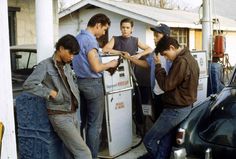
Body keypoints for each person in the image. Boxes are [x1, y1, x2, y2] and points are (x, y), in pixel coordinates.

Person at [23, 34, 92, 159]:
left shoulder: (66, 65)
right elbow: (28, 85)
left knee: (71, 153)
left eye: (73, 54)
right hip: (59, 115)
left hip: (73, 113)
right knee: (84, 153)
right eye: (70, 53)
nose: (72, 57)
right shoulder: (45, 65)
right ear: (60, 48)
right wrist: (49, 92)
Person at [139, 36, 200, 159]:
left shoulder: (181, 61)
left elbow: (166, 85)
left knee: (149, 140)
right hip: (183, 107)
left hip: (175, 110)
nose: (166, 58)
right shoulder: (190, 58)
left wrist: (158, 66)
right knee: (165, 141)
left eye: (165, 54)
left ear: (172, 47)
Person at [72, 13, 118, 159]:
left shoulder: (78, 38)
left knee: (82, 122)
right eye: (104, 29)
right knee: (95, 125)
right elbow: (97, 67)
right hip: (92, 84)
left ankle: (80, 155)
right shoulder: (90, 41)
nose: (104, 33)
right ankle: (91, 156)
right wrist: (111, 64)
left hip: (79, 83)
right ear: (97, 25)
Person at [122, 23, 171, 120]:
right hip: (156, 93)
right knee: (157, 120)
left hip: (169, 95)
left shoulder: (172, 53)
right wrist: (130, 58)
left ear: (166, 36)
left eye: (157, 36)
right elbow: (146, 64)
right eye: (154, 36)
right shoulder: (155, 52)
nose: (154, 39)